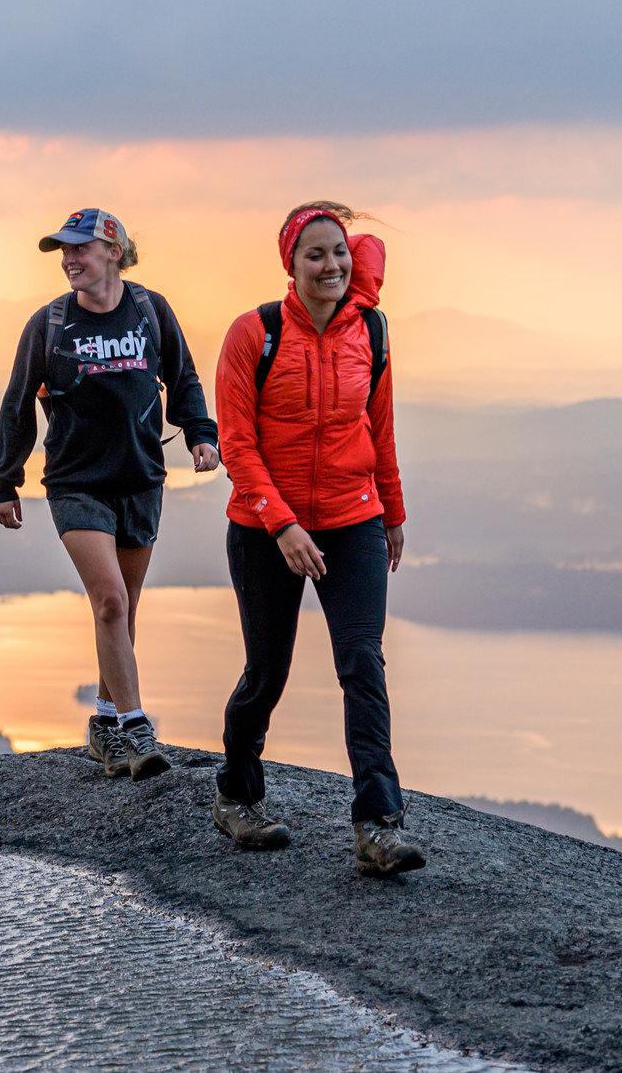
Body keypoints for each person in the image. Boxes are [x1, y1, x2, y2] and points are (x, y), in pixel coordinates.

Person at [208, 200, 423, 877]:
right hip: (266, 530)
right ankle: (237, 796)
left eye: (339, 253)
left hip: (353, 516)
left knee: (363, 660)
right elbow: (237, 444)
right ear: (291, 264)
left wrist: (392, 509)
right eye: (315, 254)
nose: (331, 264)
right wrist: (283, 524)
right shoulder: (255, 333)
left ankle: (377, 824)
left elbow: (378, 426)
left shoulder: (373, 331)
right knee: (266, 672)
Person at [0, 208, 220, 781]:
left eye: (79, 249)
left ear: (113, 250)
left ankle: (103, 721)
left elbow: (183, 377)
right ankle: (136, 726)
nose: (69, 261)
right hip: (76, 483)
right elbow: (18, 403)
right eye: (63, 253)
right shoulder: (49, 324)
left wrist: (201, 435)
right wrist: (6, 479)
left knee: (121, 607)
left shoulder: (149, 310)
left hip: (141, 479)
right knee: (112, 600)